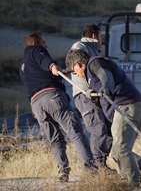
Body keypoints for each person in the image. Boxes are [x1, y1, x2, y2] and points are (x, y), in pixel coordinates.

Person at [65, 49, 141, 191]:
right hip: (130, 108)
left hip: (126, 108)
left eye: (74, 71)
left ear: (77, 64)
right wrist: (96, 98)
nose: (75, 74)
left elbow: (105, 75)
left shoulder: (93, 63)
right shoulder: (91, 75)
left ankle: (136, 187)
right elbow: (104, 98)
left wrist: (105, 87)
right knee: (118, 151)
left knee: (120, 151)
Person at [19, 33, 95, 182]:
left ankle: (63, 170)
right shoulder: (36, 51)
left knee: (55, 140)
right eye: (44, 42)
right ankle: (91, 170)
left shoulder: (22, 65)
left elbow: (38, 77)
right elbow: (44, 60)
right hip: (53, 97)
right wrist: (53, 66)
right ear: (35, 43)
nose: (46, 46)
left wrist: (63, 71)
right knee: (76, 133)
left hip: (36, 105)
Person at [68, 24, 113, 168]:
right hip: (85, 95)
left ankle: (101, 163)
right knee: (98, 128)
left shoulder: (95, 51)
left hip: (98, 95)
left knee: (110, 129)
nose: (102, 40)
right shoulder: (80, 46)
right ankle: (97, 168)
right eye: (101, 36)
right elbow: (75, 61)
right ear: (94, 36)